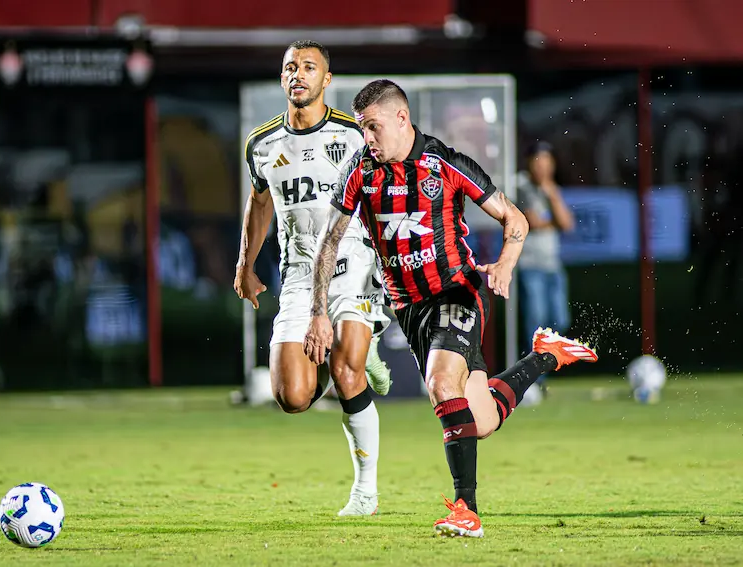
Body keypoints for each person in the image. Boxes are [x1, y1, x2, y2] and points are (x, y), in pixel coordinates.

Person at [304, 79, 598, 537]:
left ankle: (466, 510)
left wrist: (503, 263)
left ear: (401, 118)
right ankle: (545, 355)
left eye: (374, 127)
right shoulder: (360, 171)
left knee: (443, 384)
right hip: (410, 311)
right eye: (363, 129)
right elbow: (328, 244)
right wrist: (318, 310)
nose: (368, 139)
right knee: (478, 422)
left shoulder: (445, 164)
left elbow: (514, 219)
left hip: (455, 295)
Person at [233, 41, 392, 516]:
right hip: (299, 276)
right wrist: (245, 263)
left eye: (308, 67)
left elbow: (387, 191)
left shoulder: (356, 136)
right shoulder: (262, 145)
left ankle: (365, 492)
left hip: (352, 267)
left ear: (327, 80)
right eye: (289, 68)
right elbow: (260, 201)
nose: (297, 75)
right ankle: (352, 353)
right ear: (282, 79)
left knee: (346, 371)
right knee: (293, 397)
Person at [516, 141, 576, 398]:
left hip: (553, 265)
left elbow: (567, 224)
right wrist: (553, 222)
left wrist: (552, 195)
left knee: (560, 321)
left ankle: (540, 371)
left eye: (547, 161)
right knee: (535, 321)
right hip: (530, 265)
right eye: (538, 160)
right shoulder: (520, 185)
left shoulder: (552, 190)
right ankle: (533, 378)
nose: (543, 166)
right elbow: (534, 222)